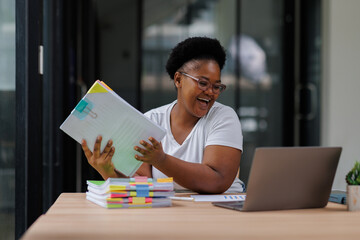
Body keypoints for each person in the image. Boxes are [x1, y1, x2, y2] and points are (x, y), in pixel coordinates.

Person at [81, 37, 244, 193]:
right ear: (178, 80)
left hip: (221, 210)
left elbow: (217, 180)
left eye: (216, 87)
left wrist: (161, 160)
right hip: (171, 211)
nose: (210, 92)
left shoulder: (223, 117)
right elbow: (141, 185)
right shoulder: (151, 120)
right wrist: (107, 170)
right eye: (202, 83)